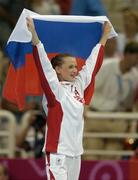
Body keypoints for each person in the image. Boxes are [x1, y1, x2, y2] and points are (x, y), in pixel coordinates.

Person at [26, 17, 111, 180]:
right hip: (58, 153)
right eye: (70, 66)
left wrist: (104, 37)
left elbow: (92, 65)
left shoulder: (78, 87)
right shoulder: (54, 91)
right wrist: (34, 37)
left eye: (76, 66)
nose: (75, 70)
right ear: (57, 69)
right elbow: (43, 66)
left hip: (76, 154)